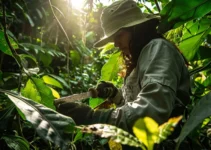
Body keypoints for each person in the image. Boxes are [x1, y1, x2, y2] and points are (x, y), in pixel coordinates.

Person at [55, 0, 190, 149]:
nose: (115, 44)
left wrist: (94, 117)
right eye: (114, 39)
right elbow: (133, 107)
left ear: (137, 29)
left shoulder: (158, 48)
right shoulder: (143, 56)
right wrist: (116, 95)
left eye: (119, 35)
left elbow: (151, 112)